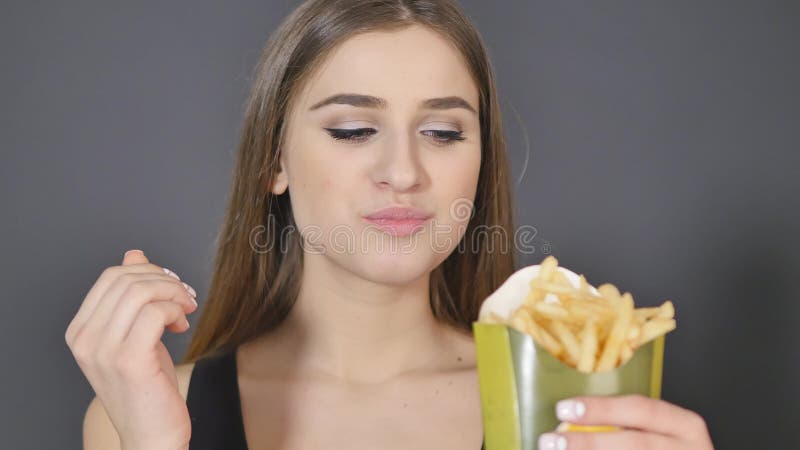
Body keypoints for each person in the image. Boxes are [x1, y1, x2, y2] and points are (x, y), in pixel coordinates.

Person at [65, 1, 715, 449]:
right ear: (275, 159)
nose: (402, 171)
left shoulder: (571, 401)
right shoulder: (141, 414)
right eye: (353, 129)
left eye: (441, 131)